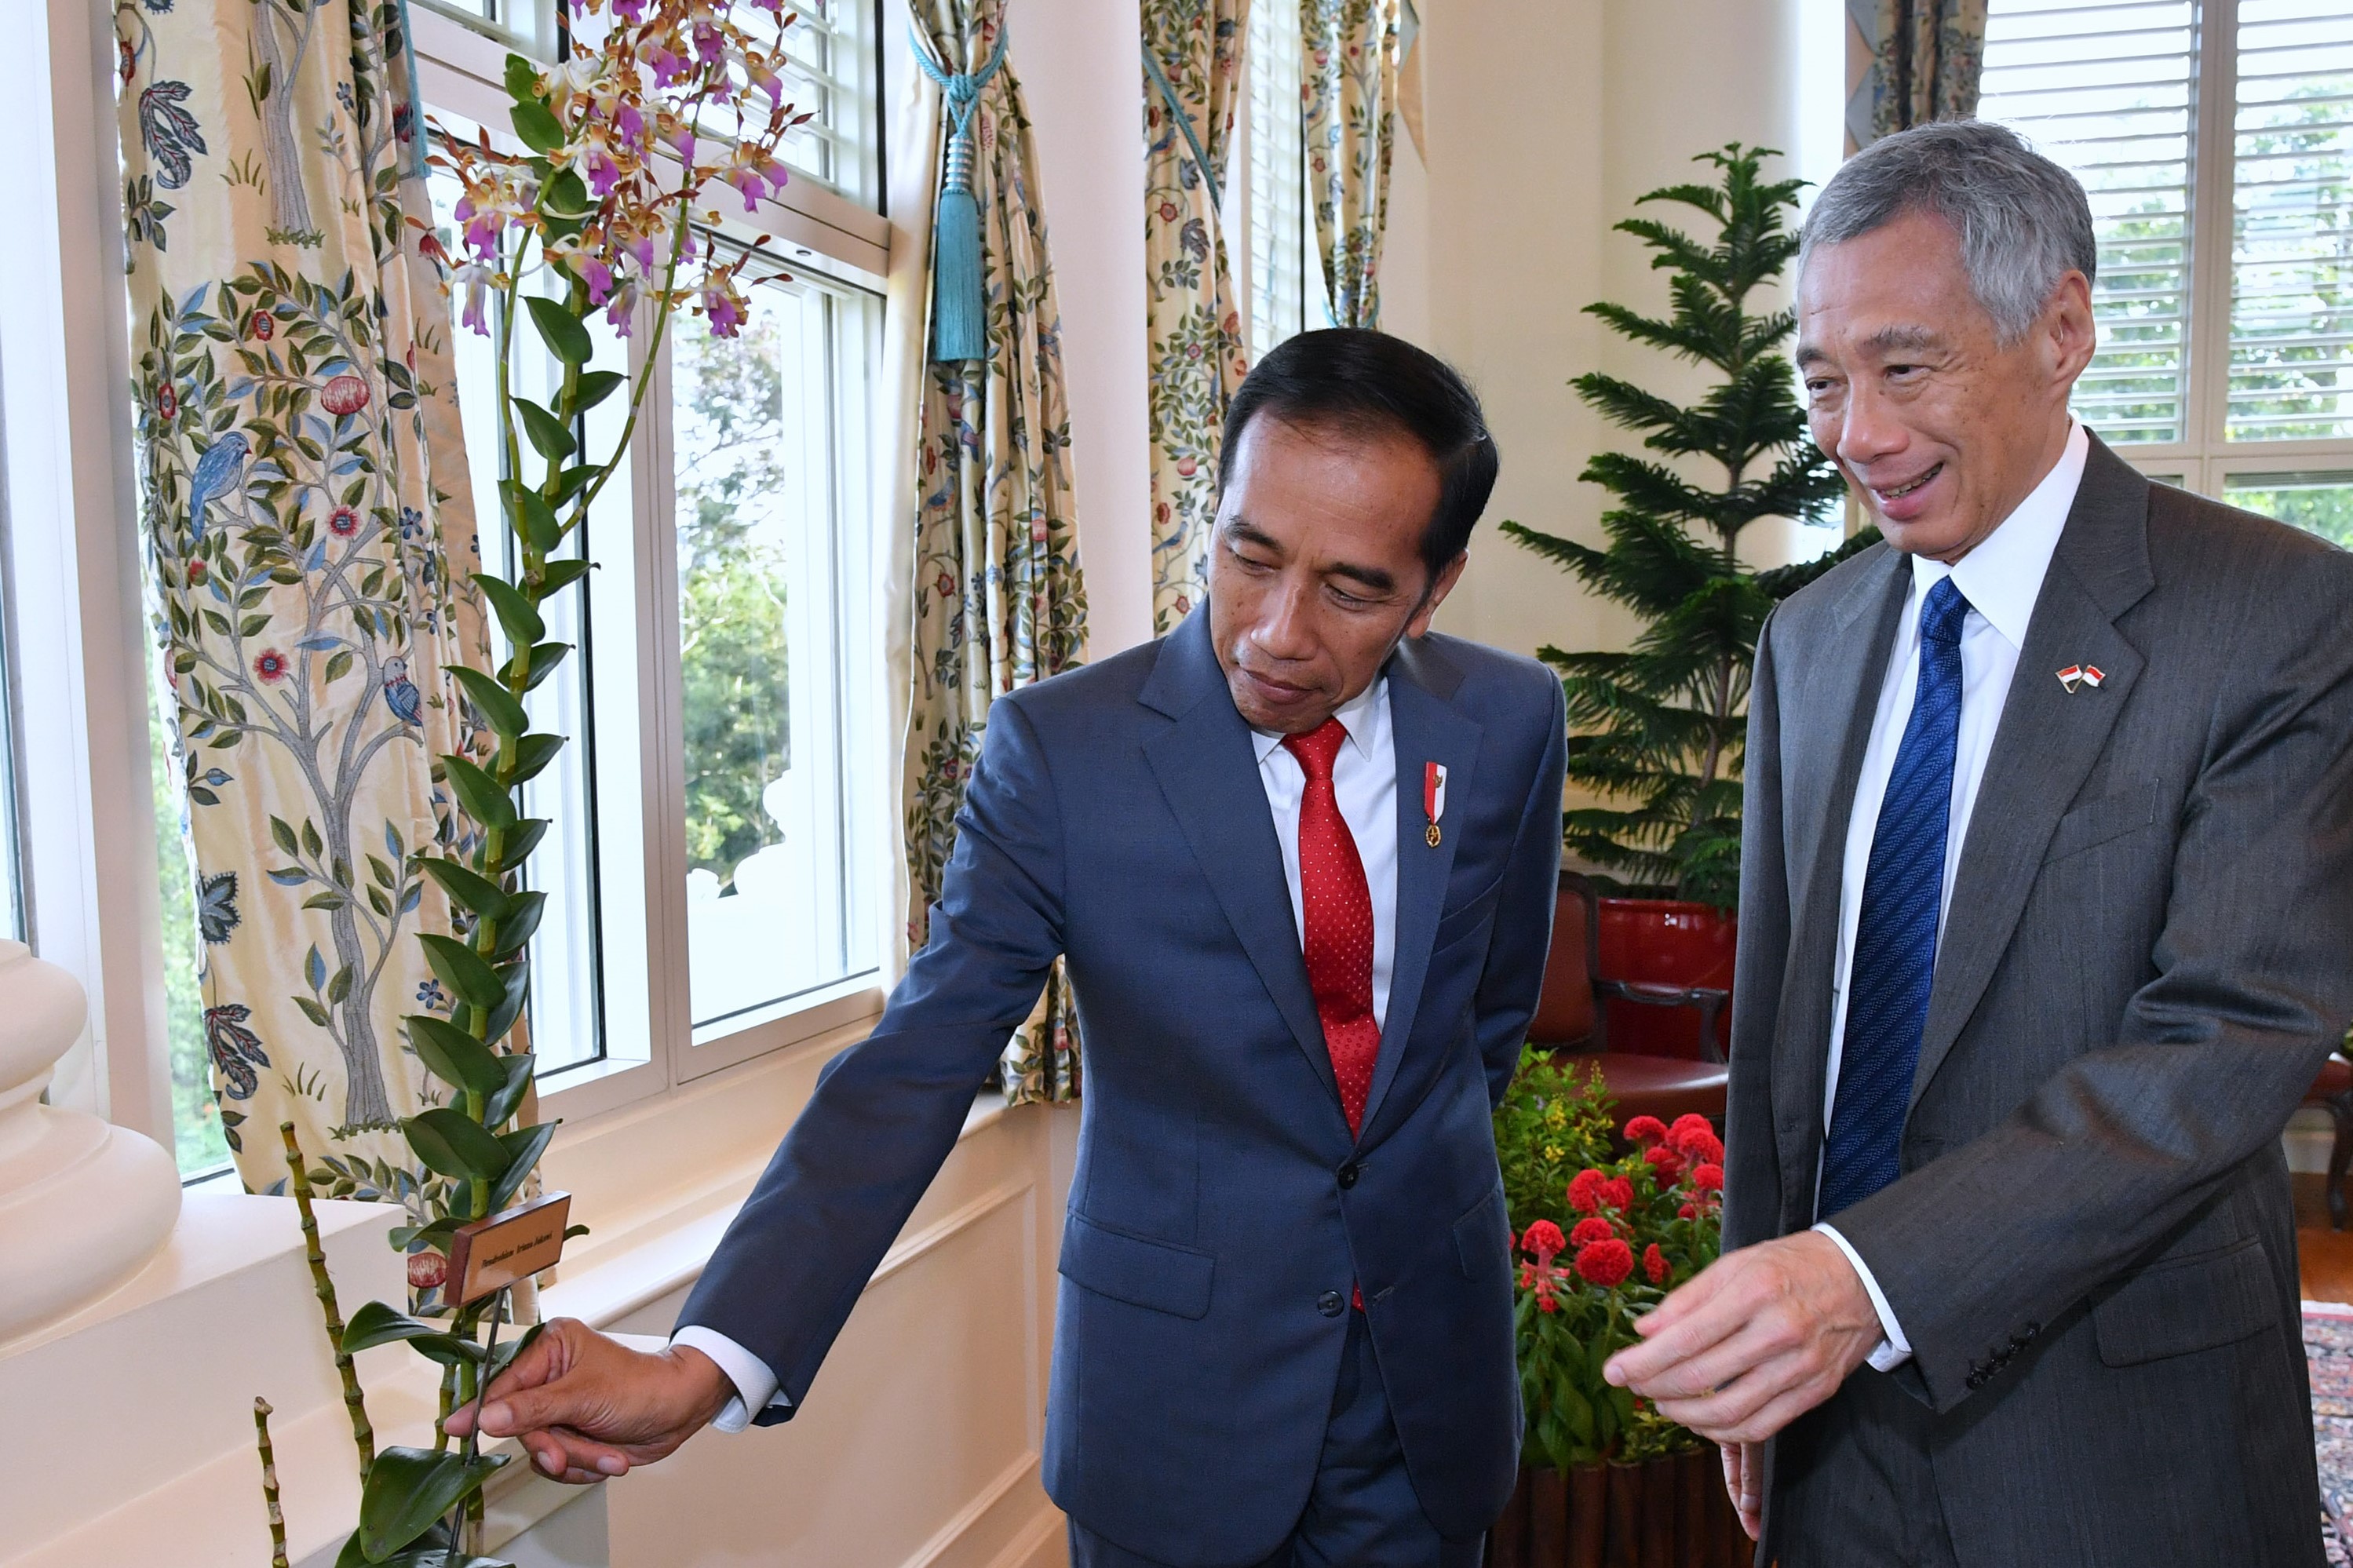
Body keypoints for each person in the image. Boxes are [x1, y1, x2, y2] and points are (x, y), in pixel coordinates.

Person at [447, 328, 1567, 1566]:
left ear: (1436, 583)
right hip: (1177, 1406)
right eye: (1248, 557)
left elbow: (1479, 1029)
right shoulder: (1064, 753)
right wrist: (703, 1360)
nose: (1275, 631)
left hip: (1422, 1394)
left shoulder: (1509, 722)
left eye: (1350, 588)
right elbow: (916, 1060)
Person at [1600, 119, 2353, 1566]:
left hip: (2121, 1436)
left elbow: (2230, 1034)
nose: (1854, 435)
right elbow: (1786, 1036)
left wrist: (1856, 1280)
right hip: (1832, 1425)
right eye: (1821, 380)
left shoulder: (2274, 616)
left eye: (1904, 365)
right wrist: (1770, 1321)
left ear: (2060, 328)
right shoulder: (1809, 641)